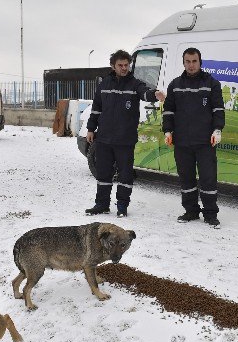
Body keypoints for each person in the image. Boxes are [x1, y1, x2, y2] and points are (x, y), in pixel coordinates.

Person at [85, 50, 165, 217]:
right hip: (105, 138)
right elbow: (96, 109)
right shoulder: (104, 84)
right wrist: (91, 129)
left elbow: (145, 92)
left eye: (126, 65)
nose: (124, 68)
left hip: (125, 140)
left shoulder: (134, 83)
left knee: (125, 175)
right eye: (120, 65)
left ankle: (122, 207)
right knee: (103, 174)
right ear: (113, 66)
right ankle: (101, 204)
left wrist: (155, 94)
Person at [162, 47, 225, 227]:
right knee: (186, 179)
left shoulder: (212, 83)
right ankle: (191, 211)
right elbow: (168, 111)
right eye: (188, 61)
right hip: (182, 142)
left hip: (205, 142)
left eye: (194, 61)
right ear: (183, 63)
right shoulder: (175, 85)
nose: (191, 65)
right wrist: (168, 130)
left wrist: (217, 129)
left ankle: (210, 214)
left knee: (208, 179)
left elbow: (218, 109)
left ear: (200, 62)